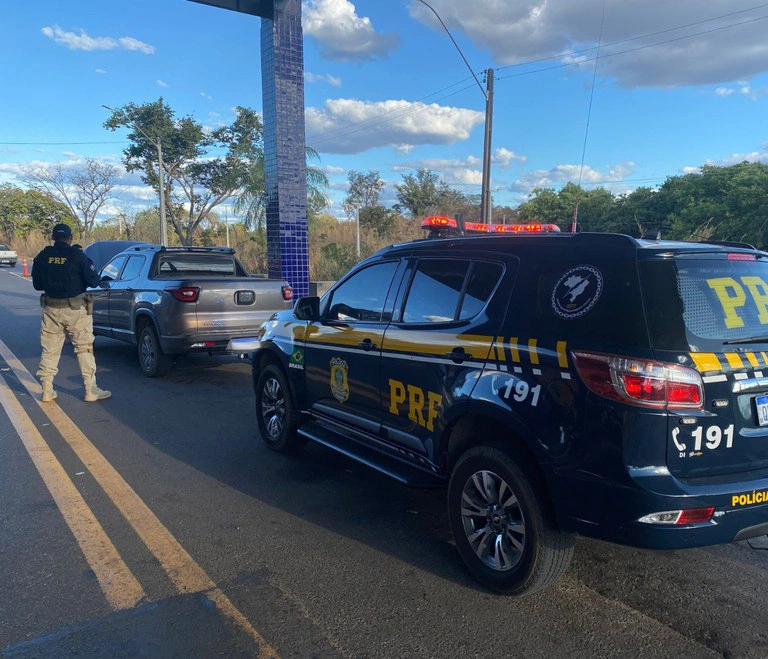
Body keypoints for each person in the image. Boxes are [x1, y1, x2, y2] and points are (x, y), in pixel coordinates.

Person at [32, 223, 111, 403]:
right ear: (70, 237)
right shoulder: (78, 256)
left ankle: (46, 390)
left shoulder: (42, 257)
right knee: (84, 348)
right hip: (76, 310)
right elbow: (93, 281)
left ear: (53, 237)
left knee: (50, 350)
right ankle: (90, 390)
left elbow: (37, 285)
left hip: (51, 308)